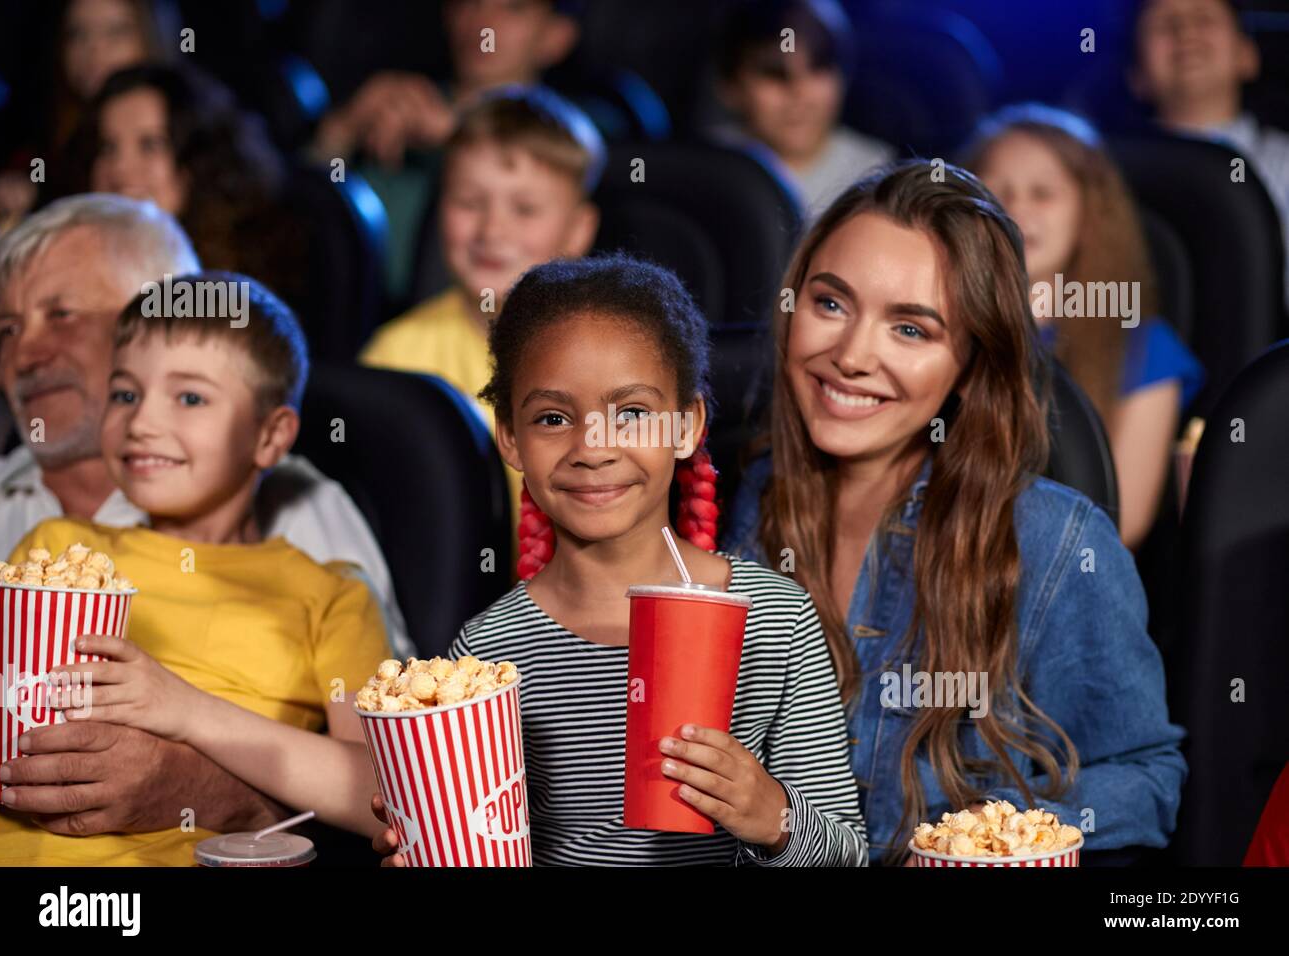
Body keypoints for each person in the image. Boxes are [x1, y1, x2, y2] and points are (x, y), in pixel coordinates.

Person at [722, 161, 1186, 864]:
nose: (850, 355)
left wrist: (976, 845)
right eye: (831, 303)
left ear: (969, 367)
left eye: (911, 330)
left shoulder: (1055, 543)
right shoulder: (755, 495)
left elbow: (1146, 780)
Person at [366, 253, 867, 866]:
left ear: (687, 426)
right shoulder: (486, 656)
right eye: (554, 418)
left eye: (631, 414)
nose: (592, 448)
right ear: (511, 438)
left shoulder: (774, 618)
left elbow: (849, 854)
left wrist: (774, 818)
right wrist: (427, 840)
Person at [0, 274, 390, 865]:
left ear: (270, 435)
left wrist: (184, 710)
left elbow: (381, 794)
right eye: (125, 394)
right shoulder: (55, 549)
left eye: (190, 398)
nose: (142, 422)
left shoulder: (330, 597)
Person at [359, 85, 603, 527]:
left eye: (525, 210)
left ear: (578, 229)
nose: (492, 230)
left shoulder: (605, 360)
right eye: (469, 203)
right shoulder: (395, 356)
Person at [964, 103, 1204, 549]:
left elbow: (1122, 522)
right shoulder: (944, 324)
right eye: (998, 191)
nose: (1017, 208)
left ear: (1088, 214)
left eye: (1042, 193)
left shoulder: (1144, 348)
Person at [309, 0, 584, 302]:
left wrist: (457, 137)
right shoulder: (396, 111)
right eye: (468, 2)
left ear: (557, 36)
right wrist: (341, 131)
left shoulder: (582, 125)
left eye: (513, 8)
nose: (483, 21)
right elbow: (303, 234)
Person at [58, 63, 305, 313]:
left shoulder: (247, 288)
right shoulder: (67, 272)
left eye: (150, 145)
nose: (120, 167)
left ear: (197, 160)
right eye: (107, 148)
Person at [1130, 0, 1289, 306]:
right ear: (1136, 76)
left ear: (1247, 55)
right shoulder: (1105, 173)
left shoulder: (1284, 164)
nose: (1186, 32)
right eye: (1165, 24)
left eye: (1204, 18)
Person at [0, 0, 173, 229]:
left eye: (116, 32)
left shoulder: (191, 122)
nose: (94, 48)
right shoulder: (47, 144)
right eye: (78, 34)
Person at [712, 0, 895, 225]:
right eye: (775, 73)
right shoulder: (702, 169)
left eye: (818, 66)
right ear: (730, 87)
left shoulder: (879, 177)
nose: (800, 92)